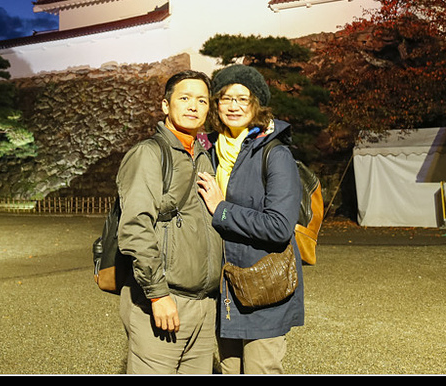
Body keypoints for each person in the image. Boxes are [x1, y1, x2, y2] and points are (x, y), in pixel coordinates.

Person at [196, 65, 304, 374]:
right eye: (226, 98)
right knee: (230, 370)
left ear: (257, 104)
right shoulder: (211, 151)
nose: (234, 106)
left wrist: (222, 209)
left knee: (261, 369)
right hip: (224, 287)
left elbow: (279, 226)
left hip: (263, 285)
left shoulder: (274, 153)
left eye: (243, 98)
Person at [115, 70, 223, 374]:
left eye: (201, 100)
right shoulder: (149, 154)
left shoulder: (203, 156)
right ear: (166, 105)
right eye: (184, 98)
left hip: (203, 303)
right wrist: (158, 294)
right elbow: (136, 228)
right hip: (164, 298)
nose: (193, 106)